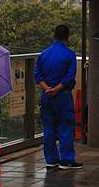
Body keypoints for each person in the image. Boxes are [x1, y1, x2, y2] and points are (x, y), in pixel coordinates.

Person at [34, 25, 82, 170]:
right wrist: (57, 89)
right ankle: (66, 159)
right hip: (62, 95)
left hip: (46, 95)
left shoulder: (44, 54)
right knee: (65, 126)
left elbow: (37, 74)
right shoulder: (69, 54)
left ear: (54, 35)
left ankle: (51, 159)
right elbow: (69, 76)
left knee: (49, 127)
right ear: (67, 36)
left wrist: (47, 88)